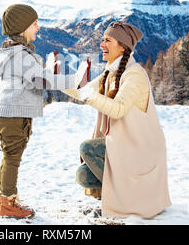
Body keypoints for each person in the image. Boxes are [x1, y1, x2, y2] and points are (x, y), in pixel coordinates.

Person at [61, 21, 171, 219]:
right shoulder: (109, 74)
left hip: (140, 149)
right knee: (83, 175)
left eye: (108, 40)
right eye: (102, 39)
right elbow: (81, 91)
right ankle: (118, 197)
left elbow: (118, 109)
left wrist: (89, 95)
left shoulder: (134, 74)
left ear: (123, 46)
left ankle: (132, 200)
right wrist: (52, 80)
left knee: (88, 148)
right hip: (124, 145)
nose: (102, 44)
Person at [0, 4, 88, 219]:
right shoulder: (20, 55)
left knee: (11, 157)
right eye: (34, 23)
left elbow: (32, 78)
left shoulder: (15, 53)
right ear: (23, 27)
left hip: (10, 113)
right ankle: (7, 203)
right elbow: (39, 81)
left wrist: (48, 71)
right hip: (13, 114)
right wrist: (75, 80)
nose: (38, 27)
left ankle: (7, 199)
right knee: (12, 158)